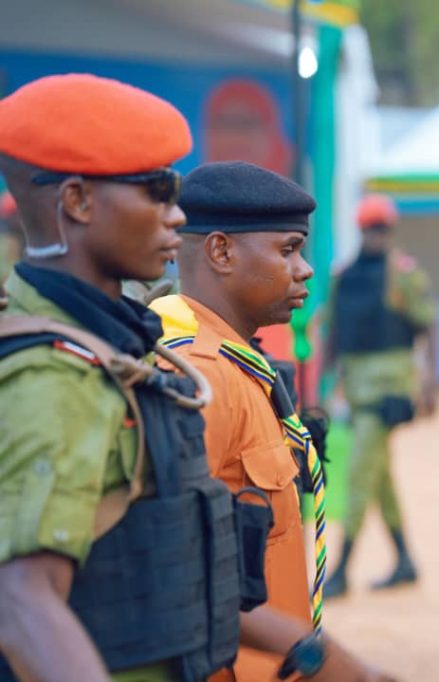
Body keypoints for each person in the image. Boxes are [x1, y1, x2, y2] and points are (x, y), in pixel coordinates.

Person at [0, 73, 244, 681]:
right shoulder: (56, 374)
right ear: (78, 202)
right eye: (158, 192)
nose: (177, 215)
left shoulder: (113, 343)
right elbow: (20, 601)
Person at [150, 161, 387, 681]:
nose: (304, 269)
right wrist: (323, 661)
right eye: (287, 250)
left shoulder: (240, 362)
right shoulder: (203, 377)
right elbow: (172, 575)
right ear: (221, 251)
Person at [323, 193, 437, 597]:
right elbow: (334, 331)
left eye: (384, 228)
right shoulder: (344, 275)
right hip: (356, 387)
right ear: (361, 230)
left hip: (388, 389)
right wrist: (325, 383)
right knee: (379, 474)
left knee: (359, 473)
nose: (379, 235)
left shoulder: (402, 274)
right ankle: (405, 560)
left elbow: (428, 323)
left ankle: (341, 570)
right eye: (372, 228)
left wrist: (428, 382)